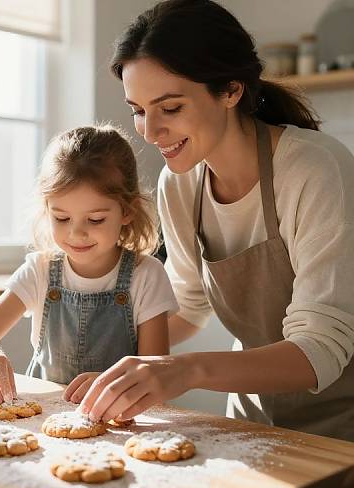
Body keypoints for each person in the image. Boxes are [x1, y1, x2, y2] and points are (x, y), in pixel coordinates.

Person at [80, 0, 354, 441]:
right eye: (137, 109)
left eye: (169, 108)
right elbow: (187, 306)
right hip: (251, 421)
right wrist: (97, 349)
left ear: (230, 90)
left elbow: (320, 349)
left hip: (341, 429)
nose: (149, 132)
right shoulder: (181, 183)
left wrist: (184, 370)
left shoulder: (314, 169)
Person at [0, 124, 178, 405]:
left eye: (95, 219)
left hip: (121, 418)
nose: (76, 233)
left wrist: (109, 384)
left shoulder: (146, 275)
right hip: (44, 419)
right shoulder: (40, 270)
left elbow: (154, 373)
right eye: (61, 218)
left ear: (127, 211)